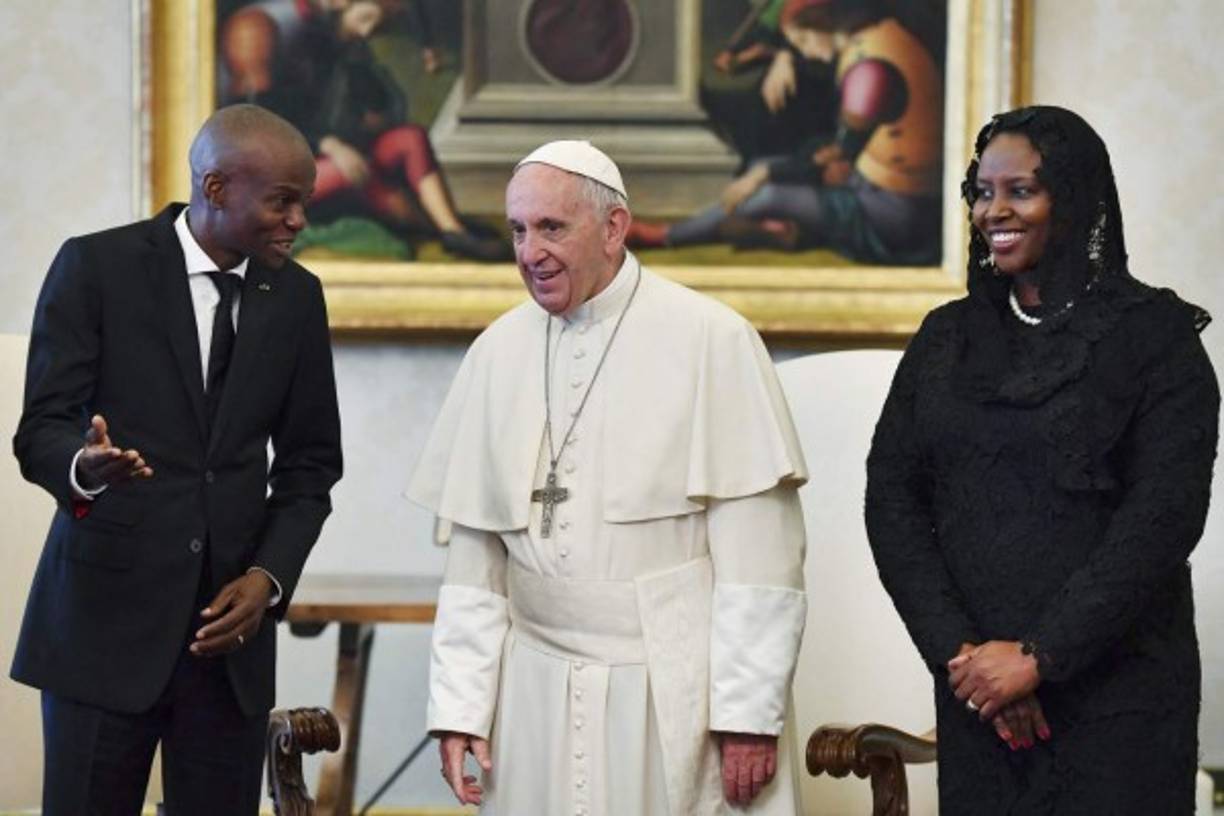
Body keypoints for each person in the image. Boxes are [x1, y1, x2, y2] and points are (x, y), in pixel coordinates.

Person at [408, 140, 809, 814]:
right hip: (531, 685)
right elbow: (476, 563)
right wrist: (460, 708)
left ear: (614, 227)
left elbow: (761, 558)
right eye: (517, 230)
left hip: (670, 685)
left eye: (551, 228)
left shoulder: (712, 339)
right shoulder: (498, 351)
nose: (529, 251)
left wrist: (747, 715)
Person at [865, 105, 1218, 814]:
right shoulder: (945, 339)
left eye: (1021, 190)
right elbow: (892, 504)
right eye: (982, 191)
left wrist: (1036, 659)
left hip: (1119, 706)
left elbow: (1162, 522)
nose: (996, 210)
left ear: (1076, 197)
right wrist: (969, 665)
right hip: (980, 710)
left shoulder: (1157, 339)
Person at [10, 104, 344, 815]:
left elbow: (310, 467)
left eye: (303, 203)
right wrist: (84, 466)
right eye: (282, 201)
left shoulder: (296, 298)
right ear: (217, 188)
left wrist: (269, 578)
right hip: (102, 631)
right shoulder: (97, 266)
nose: (297, 222)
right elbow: (40, 428)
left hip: (228, 648)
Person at [631, 0, 943, 265]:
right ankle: (785, 232)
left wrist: (766, 174)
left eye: (804, 42)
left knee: (768, 192)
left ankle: (663, 236)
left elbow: (839, 156)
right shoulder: (875, 39)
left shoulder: (868, 71)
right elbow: (836, 154)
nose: (805, 53)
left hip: (895, 213)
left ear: (823, 22)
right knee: (761, 171)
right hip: (871, 188)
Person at [220, 0, 509, 261]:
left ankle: (452, 230)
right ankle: (430, 226)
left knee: (409, 138)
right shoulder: (281, 36)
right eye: (369, 16)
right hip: (279, 172)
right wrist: (327, 144)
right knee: (351, 171)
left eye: (380, 23)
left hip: (332, 155)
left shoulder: (347, 46)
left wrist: (361, 65)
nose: (372, 30)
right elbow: (259, 125)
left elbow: (385, 111)